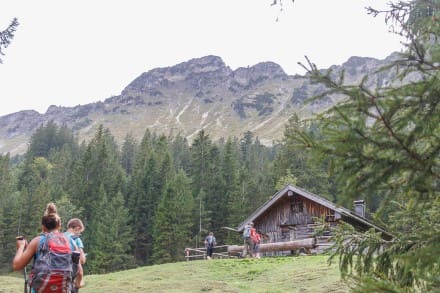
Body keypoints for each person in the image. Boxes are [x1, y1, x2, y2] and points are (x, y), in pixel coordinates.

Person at [12, 202, 83, 292]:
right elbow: (79, 272)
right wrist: (78, 283)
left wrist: (21, 247)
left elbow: (16, 266)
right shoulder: (72, 242)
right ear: (59, 226)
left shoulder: (38, 241)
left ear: (43, 227)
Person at [65, 218, 86, 292]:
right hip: (71, 277)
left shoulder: (61, 237)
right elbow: (82, 260)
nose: (79, 234)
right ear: (77, 228)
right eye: (80, 232)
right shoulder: (76, 239)